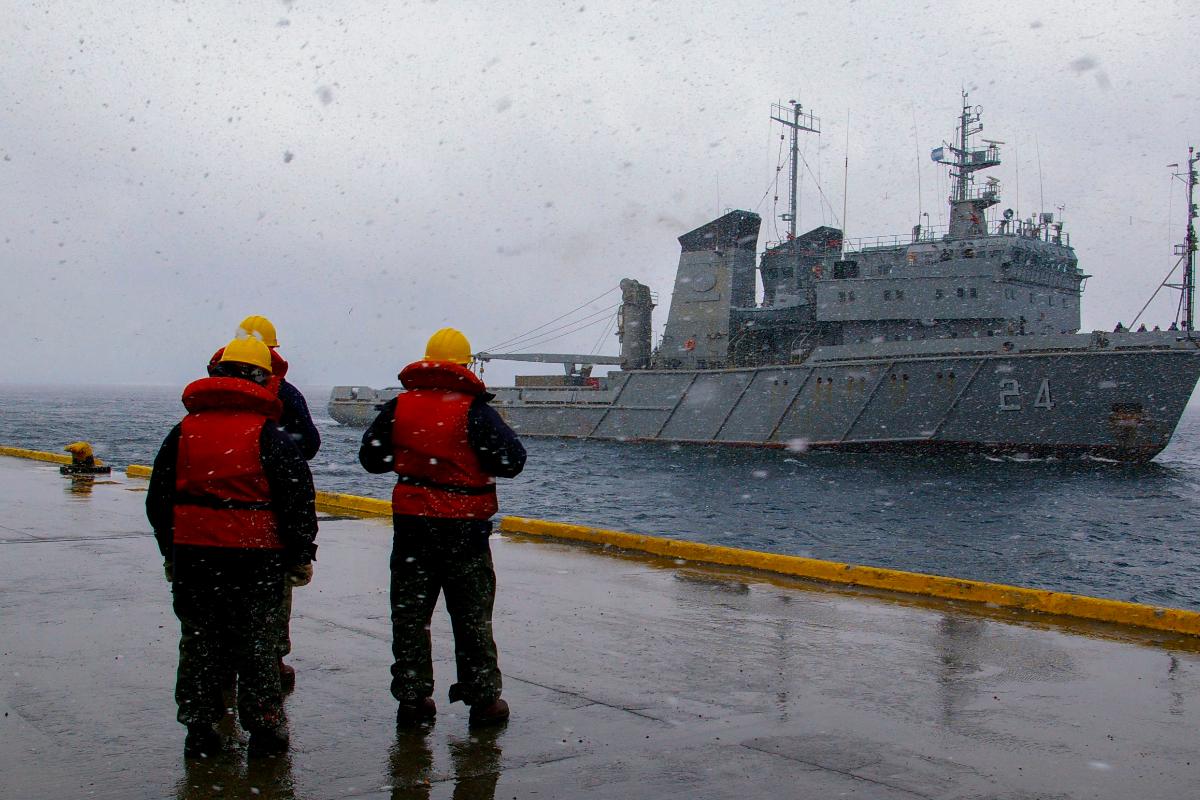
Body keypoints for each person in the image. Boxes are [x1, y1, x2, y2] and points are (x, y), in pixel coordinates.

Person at [147, 337, 318, 757]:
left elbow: (158, 499)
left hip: (194, 555)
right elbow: (297, 499)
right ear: (262, 378)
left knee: (200, 641)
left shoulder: (183, 431)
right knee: (258, 643)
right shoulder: (268, 435)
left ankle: (200, 729)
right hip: (254, 557)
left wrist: (170, 551)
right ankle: (265, 731)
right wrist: (300, 555)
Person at [359, 328, 526, 728]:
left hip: (413, 528)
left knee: (411, 615)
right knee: (471, 617)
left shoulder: (398, 406)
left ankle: (413, 701)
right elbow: (512, 461)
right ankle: (483, 700)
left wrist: (415, 460)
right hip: (464, 531)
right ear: (466, 366)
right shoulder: (475, 410)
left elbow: (371, 459)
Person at [209, 314, 320, 693]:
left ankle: (216, 677)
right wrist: (302, 546)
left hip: (208, 526)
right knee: (269, 604)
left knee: (213, 608)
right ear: (272, 353)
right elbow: (308, 449)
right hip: (263, 523)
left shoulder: (207, 398)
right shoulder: (285, 395)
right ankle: (271, 664)